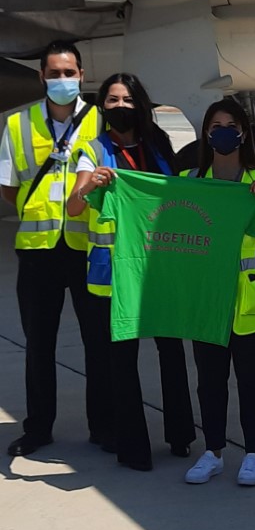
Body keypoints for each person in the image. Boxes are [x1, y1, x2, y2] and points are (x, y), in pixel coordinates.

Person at [68, 73, 196, 471]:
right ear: (101, 106)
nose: (119, 107)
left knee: (171, 352)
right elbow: (73, 206)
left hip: (159, 268)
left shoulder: (158, 145)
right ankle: (130, 443)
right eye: (111, 101)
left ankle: (180, 434)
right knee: (119, 361)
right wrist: (88, 187)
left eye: (126, 100)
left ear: (140, 105)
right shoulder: (92, 150)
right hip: (113, 274)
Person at [1, 40, 107, 456]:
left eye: (70, 72)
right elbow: (9, 190)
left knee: (98, 341)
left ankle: (103, 425)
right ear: (41, 76)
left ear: (81, 75)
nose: (62, 80)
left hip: (86, 246)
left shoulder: (99, 121)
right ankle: (38, 427)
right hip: (38, 248)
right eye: (55, 73)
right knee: (38, 344)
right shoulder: (18, 124)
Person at [180, 100, 255, 487]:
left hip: (250, 301)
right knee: (209, 380)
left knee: (251, 380)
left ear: (243, 132)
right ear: (206, 133)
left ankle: (253, 454)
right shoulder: (190, 180)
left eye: (230, 124)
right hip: (208, 300)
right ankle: (212, 452)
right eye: (215, 125)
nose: (223, 131)